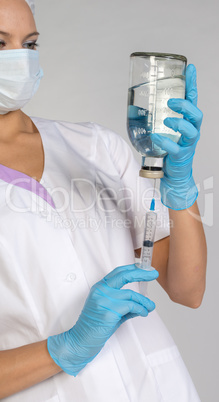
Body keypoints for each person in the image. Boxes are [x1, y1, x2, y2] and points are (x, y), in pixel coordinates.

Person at [0, 0, 207, 401]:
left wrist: (180, 189)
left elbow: (187, 290)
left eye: (30, 44)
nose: (19, 61)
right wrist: (62, 349)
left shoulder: (95, 146)